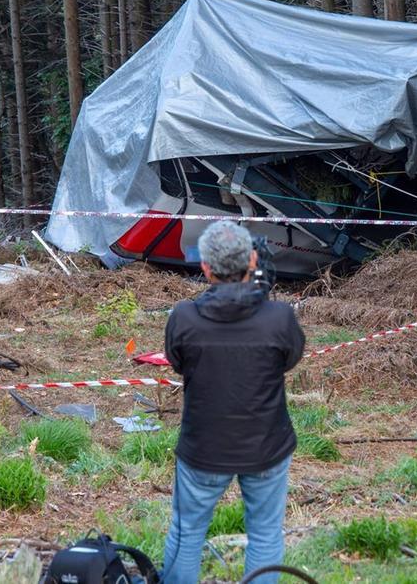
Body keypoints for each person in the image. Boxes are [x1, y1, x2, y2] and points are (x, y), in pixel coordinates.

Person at [161, 221, 305, 584]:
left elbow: (177, 363)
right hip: (266, 446)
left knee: (186, 534)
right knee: (266, 534)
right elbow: (290, 359)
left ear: (205, 268)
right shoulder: (280, 317)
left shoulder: (184, 317)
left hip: (203, 449)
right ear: (253, 259)